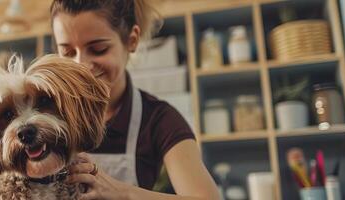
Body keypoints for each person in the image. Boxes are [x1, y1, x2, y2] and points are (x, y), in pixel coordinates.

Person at [50, 1, 220, 199]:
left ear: (132, 40)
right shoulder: (45, 113)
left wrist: (123, 193)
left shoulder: (159, 119)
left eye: (98, 49)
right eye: (67, 52)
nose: (81, 66)